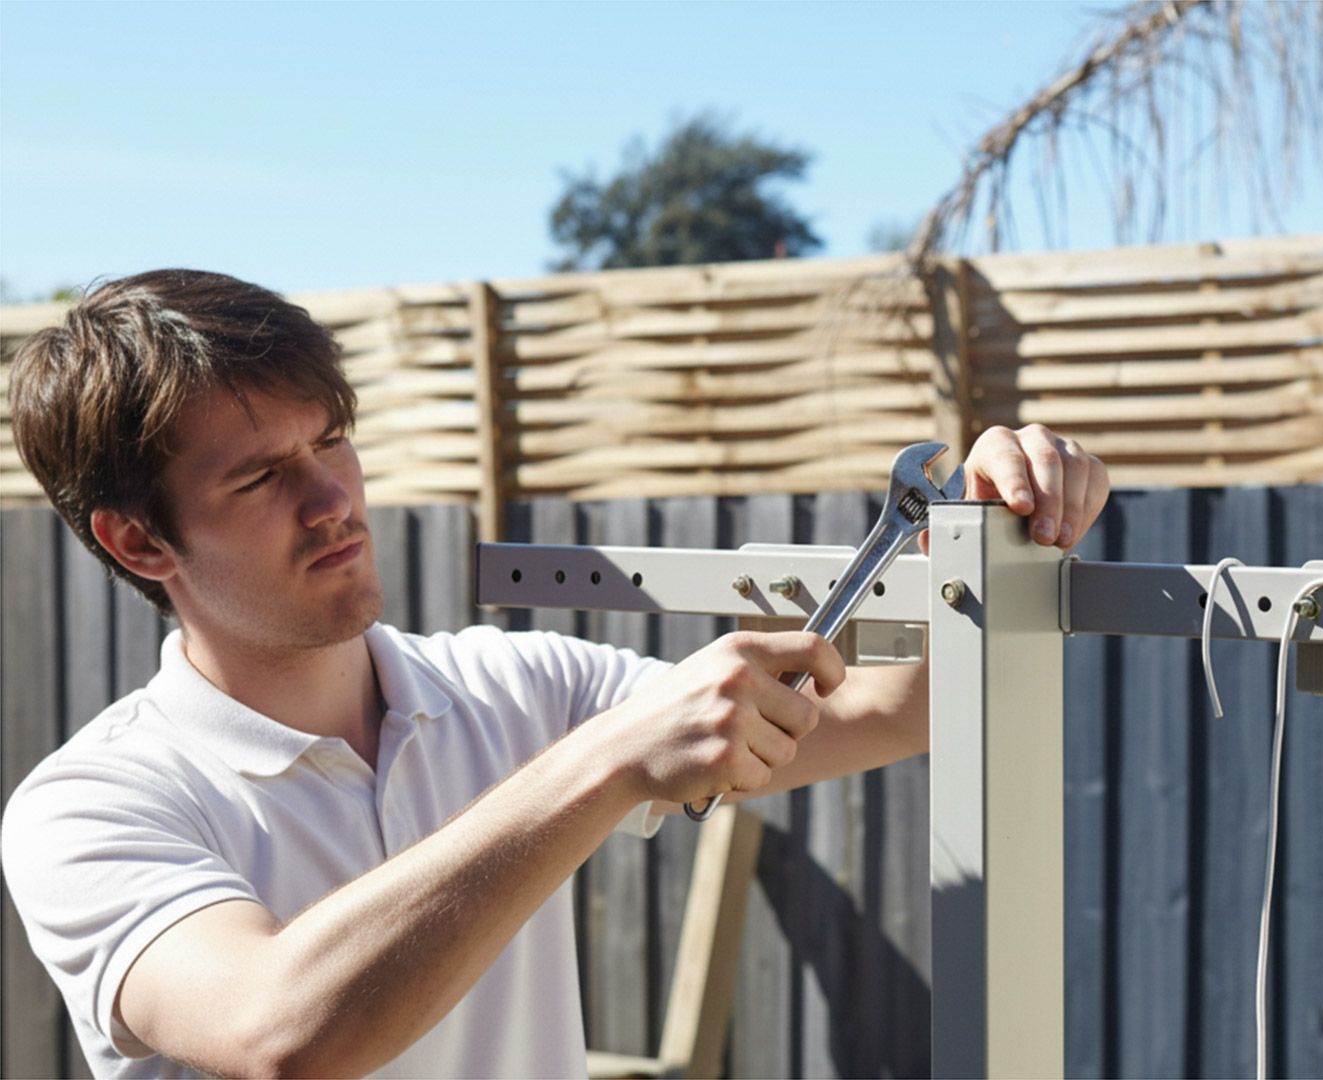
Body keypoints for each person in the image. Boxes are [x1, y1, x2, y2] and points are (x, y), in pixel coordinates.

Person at [0, 269, 1110, 1078]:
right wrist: (612, 762)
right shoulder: (91, 807)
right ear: (140, 542)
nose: (334, 497)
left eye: (332, 439)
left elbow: (885, 713)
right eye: (260, 477)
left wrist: (995, 532)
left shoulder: (515, 687)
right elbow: (282, 1031)